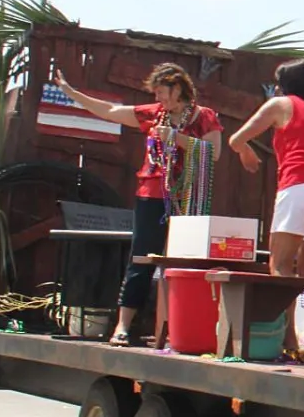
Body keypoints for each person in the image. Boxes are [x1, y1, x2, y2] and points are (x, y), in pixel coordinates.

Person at [53, 63, 223, 345]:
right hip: (152, 194)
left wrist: (176, 138)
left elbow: (213, 152)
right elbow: (108, 111)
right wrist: (71, 93)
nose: (160, 99)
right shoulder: (154, 114)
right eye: (156, 94)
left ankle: (174, 330)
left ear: (178, 88)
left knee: (181, 263)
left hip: (188, 197)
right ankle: (122, 326)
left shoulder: (203, 117)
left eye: (163, 93)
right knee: (141, 259)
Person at [229, 59, 304, 358]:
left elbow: (236, 139)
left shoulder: (280, 105)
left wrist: (245, 151)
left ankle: (290, 340)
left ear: (285, 85)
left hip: (298, 187)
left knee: (281, 267)